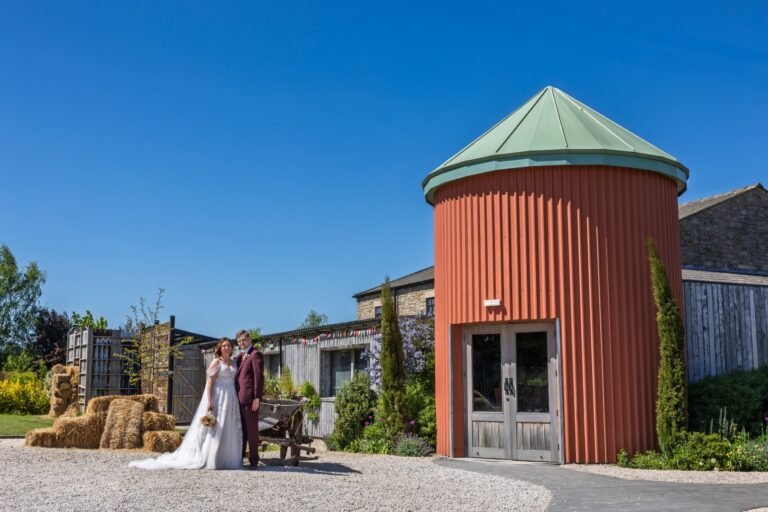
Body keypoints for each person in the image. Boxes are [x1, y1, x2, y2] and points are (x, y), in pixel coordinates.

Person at [129, 338, 242, 470]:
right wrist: (210, 401)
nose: (227, 348)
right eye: (224, 346)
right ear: (220, 348)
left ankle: (226, 457)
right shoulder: (216, 362)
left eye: (229, 346)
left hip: (231, 396)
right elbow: (210, 383)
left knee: (228, 425)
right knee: (215, 426)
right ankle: (211, 456)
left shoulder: (233, 363)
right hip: (219, 395)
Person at [235, 329, 264, 469]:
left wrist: (257, 397)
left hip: (250, 399)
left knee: (252, 431)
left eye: (244, 340)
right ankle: (240, 458)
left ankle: (254, 460)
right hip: (239, 399)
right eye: (239, 341)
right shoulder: (240, 357)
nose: (242, 343)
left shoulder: (255, 354)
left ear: (249, 339)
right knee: (242, 431)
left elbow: (259, 378)